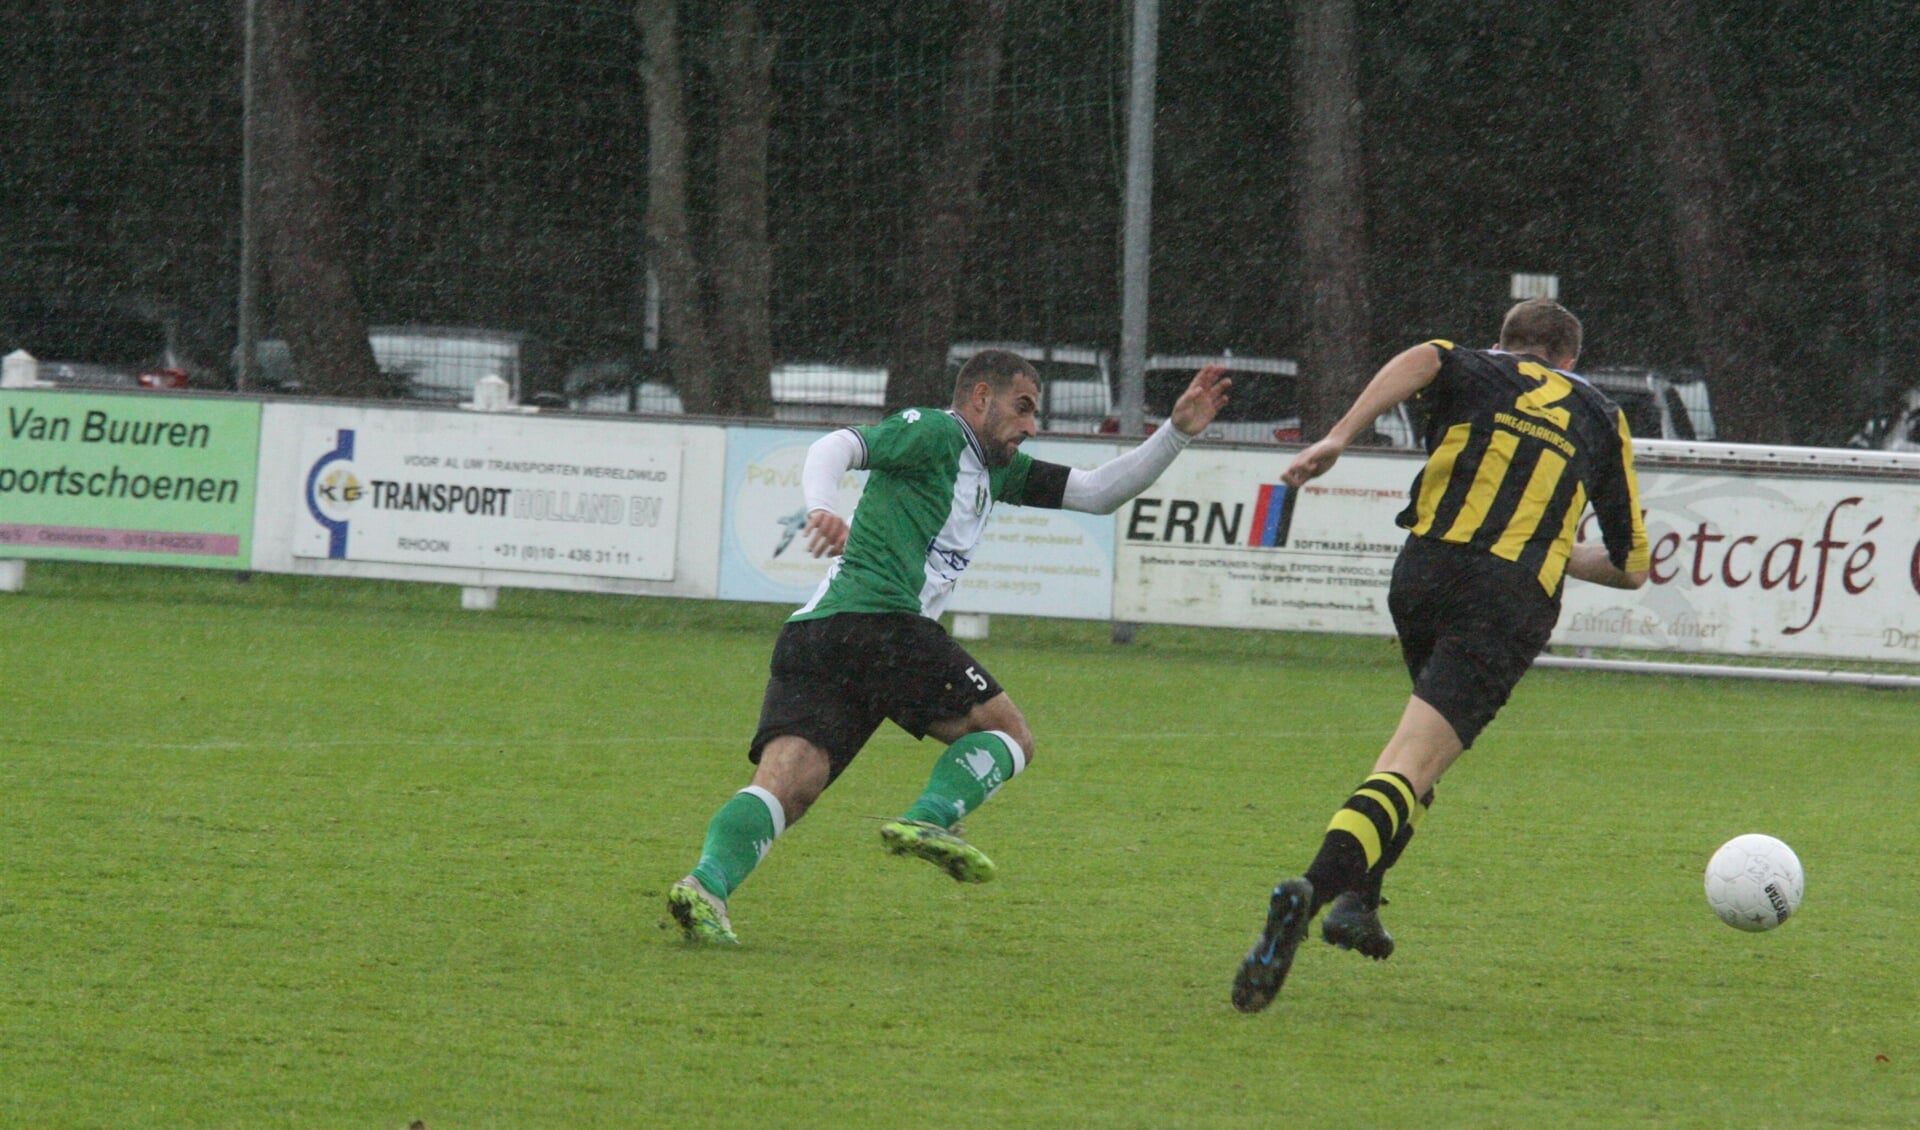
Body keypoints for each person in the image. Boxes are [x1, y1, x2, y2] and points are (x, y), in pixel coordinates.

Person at [669, 348, 1231, 943]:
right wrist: (821, 508)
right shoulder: (937, 433)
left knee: (789, 785)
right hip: (879, 623)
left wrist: (1175, 433)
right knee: (1010, 736)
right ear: (980, 398)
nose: (1031, 426)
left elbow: (1096, 493)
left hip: (817, 635)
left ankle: (705, 887)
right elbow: (835, 446)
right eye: (1022, 408)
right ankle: (930, 819)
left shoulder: (999, 471)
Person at [1231, 298, 1650, 1013]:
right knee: (1411, 762)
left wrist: (1337, 437)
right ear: (1571, 360)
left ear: (1505, 342)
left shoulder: (1476, 368)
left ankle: (1360, 902)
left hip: (1423, 574)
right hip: (1506, 597)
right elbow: (1631, 565)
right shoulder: (1600, 414)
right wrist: (1554, 549)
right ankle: (1312, 892)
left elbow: (1424, 353)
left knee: (1417, 748)